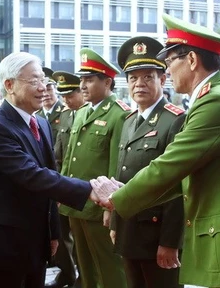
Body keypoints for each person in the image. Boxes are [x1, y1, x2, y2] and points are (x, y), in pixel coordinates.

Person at [91, 14, 220, 288]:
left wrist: (117, 198)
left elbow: (170, 166)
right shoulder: (215, 96)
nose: (167, 72)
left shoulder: (217, 101)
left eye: (169, 62)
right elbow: (178, 175)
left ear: (191, 60)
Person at [0, 52, 100, 288]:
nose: (43, 88)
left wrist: (52, 233)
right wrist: (89, 189)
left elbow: (48, 173)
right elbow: (32, 175)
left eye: (44, 81)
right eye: (34, 81)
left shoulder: (40, 122)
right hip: (3, 245)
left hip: (35, 244)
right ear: (9, 85)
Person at [112, 36, 186, 288]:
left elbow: (178, 187)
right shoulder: (129, 120)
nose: (139, 84)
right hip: (129, 231)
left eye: (148, 77)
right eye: (133, 78)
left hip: (157, 236)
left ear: (163, 80)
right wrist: (114, 222)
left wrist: (170, 241)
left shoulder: (175, 121)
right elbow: (120, 173)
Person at [60, 48, 130, 288]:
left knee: (109, 269)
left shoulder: (118, 114)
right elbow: (70, 158)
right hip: (76, 203)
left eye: (89, 80)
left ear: (107, 82)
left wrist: (111, 206)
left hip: (99, 208)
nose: (83, 85)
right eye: (81, 80)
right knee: (85, 268)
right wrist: (63, 193)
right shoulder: (80, 113)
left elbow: (116, 165)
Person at [45, 71, 85, 288]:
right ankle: (68, 273)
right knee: (61, 235)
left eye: (71, 95)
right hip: (62, 184)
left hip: (83, 188)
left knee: (80, 240)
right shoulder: (68, 115)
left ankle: (82, 277)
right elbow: (59, 154)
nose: (66, 100)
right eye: (64, 96)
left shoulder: (81, 114)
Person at [37, 67, 64, 142]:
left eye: (49, 89)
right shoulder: (36, 115)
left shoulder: (66, 113)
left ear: (56, 89)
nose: (45, 94)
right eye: (42, 90)